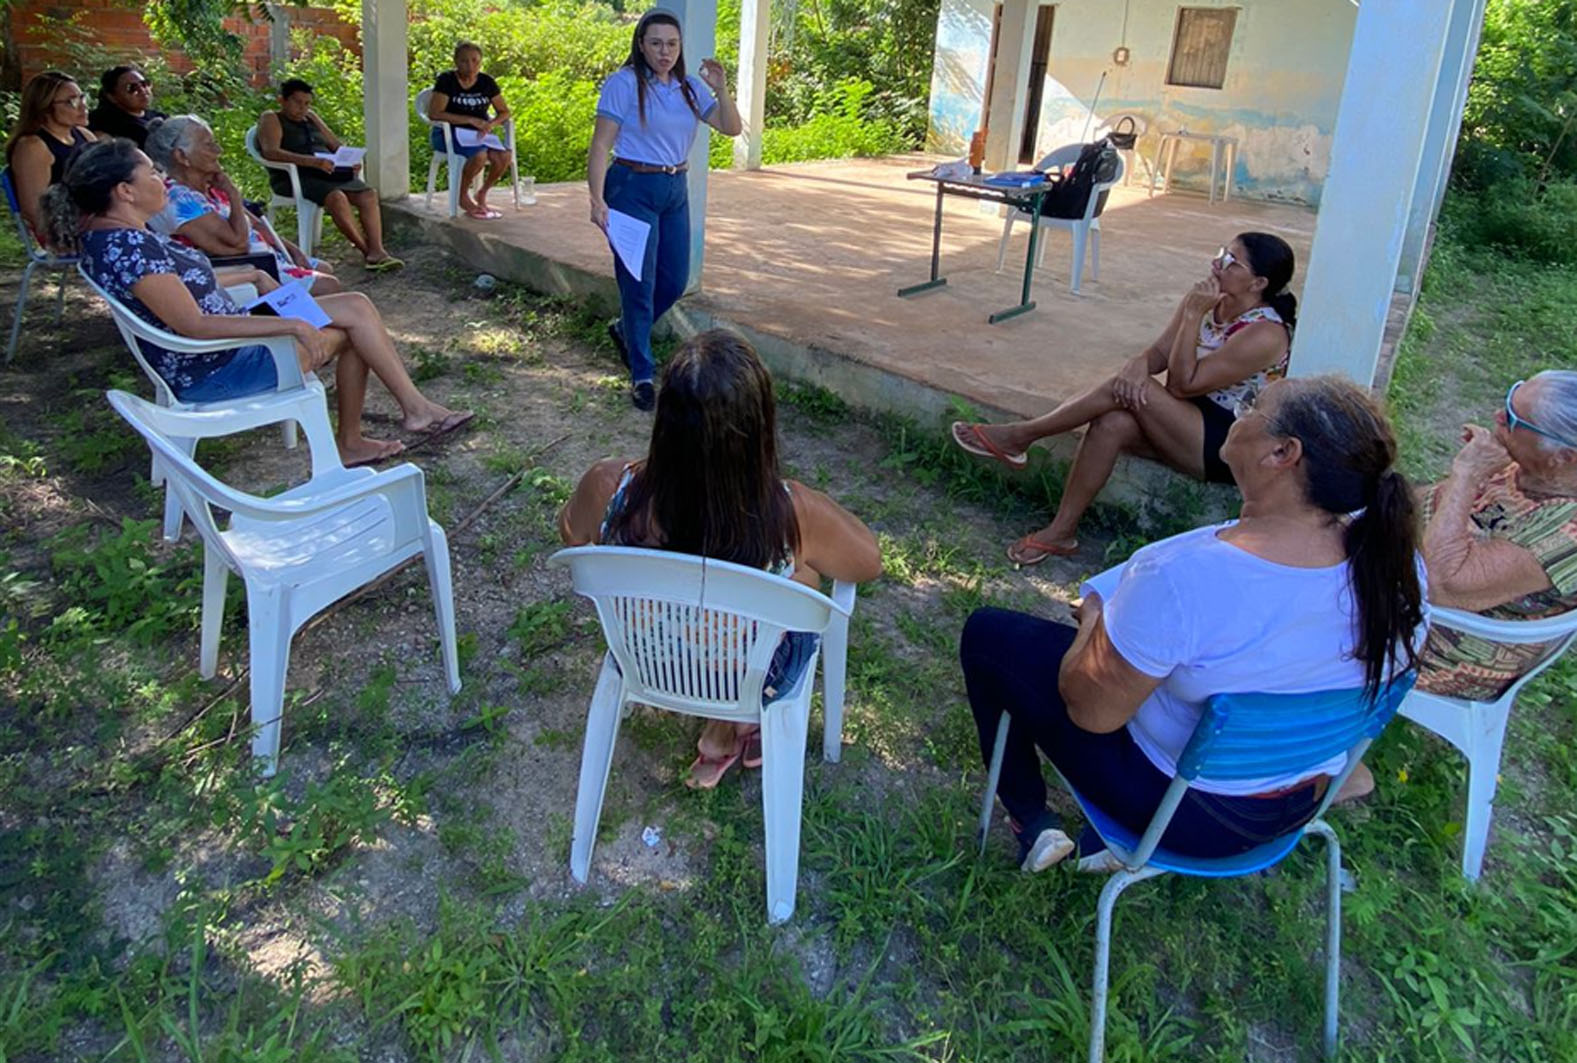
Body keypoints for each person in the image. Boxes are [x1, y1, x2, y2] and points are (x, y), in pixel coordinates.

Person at [961, 375, 1425, 871]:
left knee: (990, 635)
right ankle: (1082, 839)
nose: (1239, 414)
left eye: (1252, 406)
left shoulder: (1184, 577)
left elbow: (1090, 713)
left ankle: (1031, 819)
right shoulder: (1397, 569)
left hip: (1190, 816)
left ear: (1282, 453)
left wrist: (1095, 623)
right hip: (1297, 799)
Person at [558, 329, 882, 788]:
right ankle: (735, 721)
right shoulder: (792, 514)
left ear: (665, 422)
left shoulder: (608, 485)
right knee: (804, 576)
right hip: (745, 673)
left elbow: (570, 534)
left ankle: (722, 726)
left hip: (648, 658)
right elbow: (868, 561)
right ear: (760, 428)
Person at [47, 139, 472, 467]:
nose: (161, 178)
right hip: (218, 366)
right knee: (351, 330)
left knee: (355, 304)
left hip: (228, 336)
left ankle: (403, 415)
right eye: (152, 172)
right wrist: (289, 325)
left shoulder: (117, 238)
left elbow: (184, 284)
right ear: (125, 190)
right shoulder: (130, 247)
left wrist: (249, 274)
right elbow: (194, 324)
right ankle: (369, 433)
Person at [950, 233, 1298, 565]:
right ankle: (1061, 533)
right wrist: (1137, 365)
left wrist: (1191, 316)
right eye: (1223, 253)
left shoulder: (1265, 333)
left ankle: (1021, 436)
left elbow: (1181, 385)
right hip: (1186, 418)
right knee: (1111, 422)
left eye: (1232, 262)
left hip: (1225, 440)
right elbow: (1161, 352)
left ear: (1258, 284)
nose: (1217, 263)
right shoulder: (1210, 302)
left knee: (1140, 390)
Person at [1338, 371, 1577, 803]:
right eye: (1508, 401)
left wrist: (1467, 473)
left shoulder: (1568, 533)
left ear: (1566, 457)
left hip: (1458, 640)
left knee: (1298, 611)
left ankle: (1324, 769)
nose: (1496, 420)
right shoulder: (1528, 467)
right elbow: (1427, 503)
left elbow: (1443, 585)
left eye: (1513, 420)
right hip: (1416, 586)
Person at [588, 9, 743, 411]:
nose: (664, 51)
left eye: (671, 44)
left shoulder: (690, 87)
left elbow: (731, 128)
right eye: (655, 43)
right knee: (638, 284)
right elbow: (601, 145)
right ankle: (641, 372)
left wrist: (722, 89)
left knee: (673, 281)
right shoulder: (623, 84)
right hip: (632, 187)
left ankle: (627, 330)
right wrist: (596, 198)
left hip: (675, 187)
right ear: (641, 44)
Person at [144, 115, 340, 295]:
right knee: (328, 285)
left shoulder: (209, 186)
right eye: (208, 145)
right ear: (181, 156)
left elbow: (257, 224)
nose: (218, 151)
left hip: (263, 257)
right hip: (244, 268)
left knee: (324, 269)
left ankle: (319, 320)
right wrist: (234, 195)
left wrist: (291, 250)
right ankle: (311, 324)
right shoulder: (179, 199)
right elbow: (238, 243)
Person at [256, 78, 402, 270]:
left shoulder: (311, 118)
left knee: (368, 194)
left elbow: (335, 145)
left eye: (307, 103)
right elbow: (270, 152)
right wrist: (312, 162)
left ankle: (378, 249)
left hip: (328, 173)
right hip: (297, 177)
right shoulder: (271, 118)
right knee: (337, 198)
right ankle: (367, 251)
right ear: (282, 101)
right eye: (297, 102)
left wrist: (349, 161)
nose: (303, 108)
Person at [4, 71, 97, 239]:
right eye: (72, 102)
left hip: (101, 218)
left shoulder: (85, 135)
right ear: (45, 108)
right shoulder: (32, 147)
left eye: (83, 98)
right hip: (68, 229)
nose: (83, 106)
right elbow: (34, 211)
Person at [427, 42, 513, 221]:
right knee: (479, 156)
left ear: (481, 62)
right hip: (449, 133)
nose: (470, 66)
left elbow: (504, 112)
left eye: (475, 61)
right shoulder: (447, 80)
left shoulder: (486, 82)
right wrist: (469, 120)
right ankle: (462, 196)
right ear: (456, 62)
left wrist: (492, 123)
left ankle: (482, 192)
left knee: (504, 156)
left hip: (479, 134)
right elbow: (435, 114)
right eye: (464, 61)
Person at [87, 65, 167, 148]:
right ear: (112, 97)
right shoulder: (104, 124)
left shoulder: (159, 116)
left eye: (144, 84)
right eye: (132, 88)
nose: (142, 90)